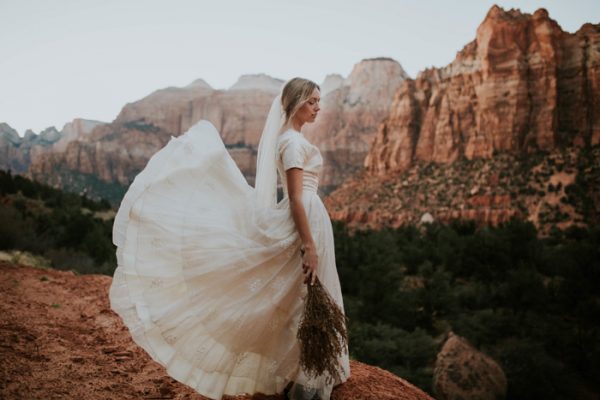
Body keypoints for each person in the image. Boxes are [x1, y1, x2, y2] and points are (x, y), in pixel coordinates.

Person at [109, 77, 350, 400]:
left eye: (319, 101)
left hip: (311, 215)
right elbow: (294, 197)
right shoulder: (291, 143)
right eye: (312, 102)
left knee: (299, 293)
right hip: (304, 217)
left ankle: (307, 366)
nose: (318, 107)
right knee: (302, 293)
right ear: (294, 104)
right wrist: (308, 244)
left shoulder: (292, 139)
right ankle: (307, 374)